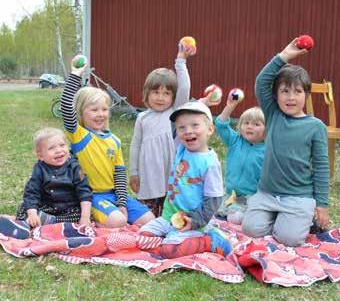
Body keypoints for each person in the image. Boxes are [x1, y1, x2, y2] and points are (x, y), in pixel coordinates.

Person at [242, 38, 330, 247]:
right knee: (251, 229)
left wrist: (322, 205)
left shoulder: (316, 126)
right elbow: (262, 81)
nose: (291, 97)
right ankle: (276, 217)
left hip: (299, 196)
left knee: (290, 239)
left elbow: (321, 167)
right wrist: (285, 56)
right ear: (276, 95)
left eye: (297, 91)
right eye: (285, 91)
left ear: (306, 95)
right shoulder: (273, 115)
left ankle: (298, 220)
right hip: (267, 193)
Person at [60, 59, 155, 228]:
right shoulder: (79, 135)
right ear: (81, 112)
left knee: (150, 221)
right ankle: (95, 220)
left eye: (104, 109)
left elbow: (119, 175)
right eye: (94, 110)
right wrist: (75, 74)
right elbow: (66, 106)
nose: (100, 114)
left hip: (114, 195)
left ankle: (116, 215)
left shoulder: (115, 141)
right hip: (91, 197)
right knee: (118, 221)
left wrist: (122, 203)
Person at [137, 101, 232, 258]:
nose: (188, 131)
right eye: (182, 127)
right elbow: (174, 125)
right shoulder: (181, 147)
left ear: (210, 129)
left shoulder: (210, 163)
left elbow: (214, 200)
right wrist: (201, 101)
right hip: (169, 217)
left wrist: (195, 221)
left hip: (193, 221)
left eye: (195, 125)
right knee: (142, 237)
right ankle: (172, 240)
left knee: (168, 251)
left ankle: (212, 241)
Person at [129, 40, 195, 216]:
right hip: (148, 176)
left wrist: (180, 61)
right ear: (146, 93)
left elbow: (185, 87)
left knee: (170, 216)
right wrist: (134, 173)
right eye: (155, 92)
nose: (160, 97)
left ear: (173, 96)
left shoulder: (175, 114)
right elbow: (135, 145)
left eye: (166, 93)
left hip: (170, 176)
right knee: (146, 216)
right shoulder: (142, 118)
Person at [0, 127, 92, 239]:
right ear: (40, 156)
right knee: (25, 206)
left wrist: (85, 217)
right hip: (47, 206)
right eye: (51, 148)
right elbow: (31, 192)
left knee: (79, 215)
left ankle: (31, 223)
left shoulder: (75, 167)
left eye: (62, 145)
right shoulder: (40, 169)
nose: (59, 150)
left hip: (68, 210)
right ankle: (24, 223)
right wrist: (32, 213)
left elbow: (84, 191)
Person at [215, 93, 265, 224]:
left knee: (236, 217)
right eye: (246, 123)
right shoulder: (235, 141)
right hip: (230, 193)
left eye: (256, 124)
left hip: (251, 197)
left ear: (266, 130)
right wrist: (230, 106)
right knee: (214, 209)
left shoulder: (267, 150)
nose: (249, 126)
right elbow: (220, 124)